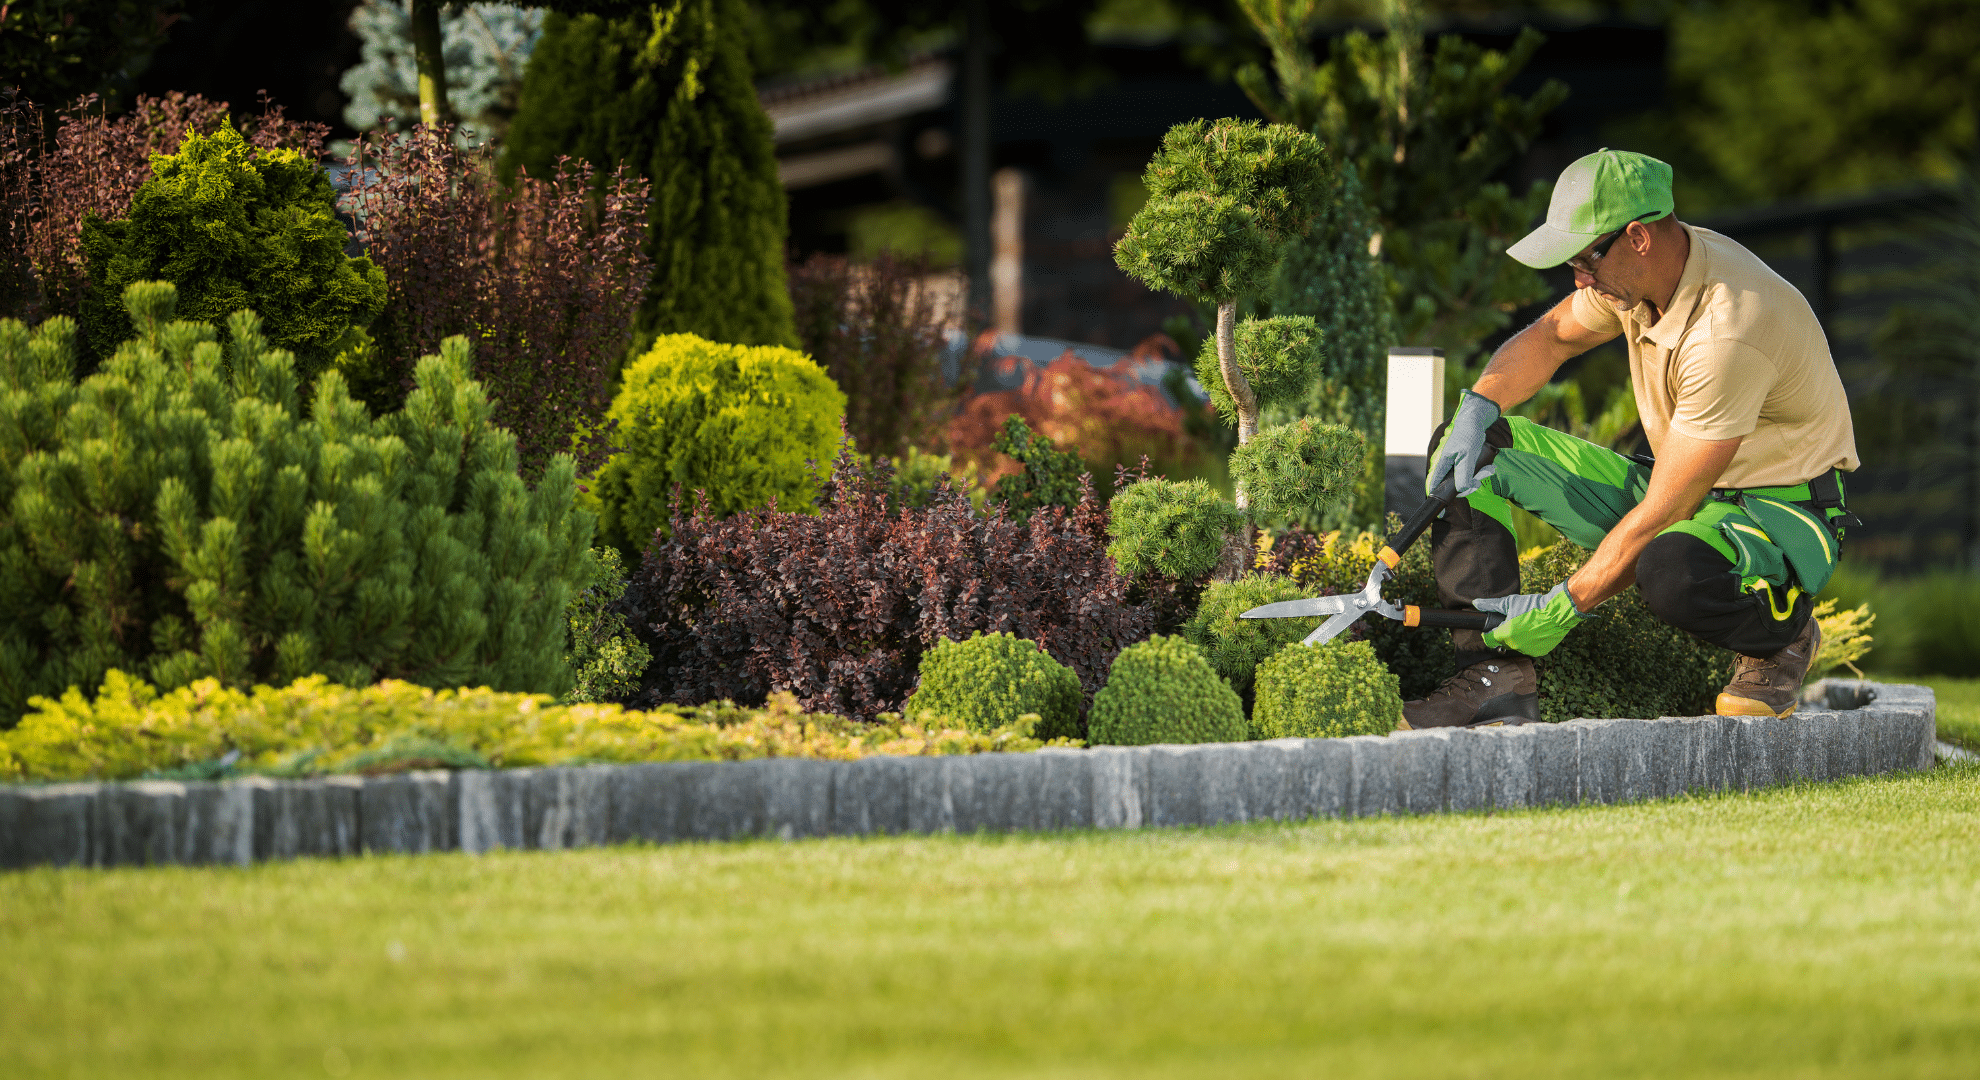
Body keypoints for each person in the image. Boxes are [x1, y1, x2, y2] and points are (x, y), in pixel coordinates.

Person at [1402, 149, 1859, 729]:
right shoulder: (1639, 279)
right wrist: (1477, 405)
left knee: (1672, 569)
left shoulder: (1728, 331)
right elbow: (1551, 339)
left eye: (1586, 260)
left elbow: (1666, 511)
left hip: (1777, 512)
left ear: (1638, 237)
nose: (1579, 278)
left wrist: (1563, 605)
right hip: (1683, 482)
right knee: (1469, 450)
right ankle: (1495, 677)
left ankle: (1784, 635)